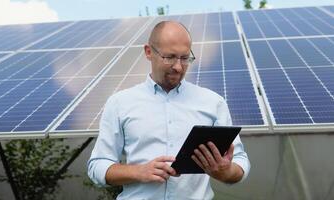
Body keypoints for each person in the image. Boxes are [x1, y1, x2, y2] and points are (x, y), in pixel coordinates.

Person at [87, 21, 250, 200]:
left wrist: (226, 172)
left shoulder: (213, 102)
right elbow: (97, 166)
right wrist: (139, 171)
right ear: (148, 52)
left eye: (185, 58)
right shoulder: (119, 103)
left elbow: (240, 162)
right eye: (170, 57)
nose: (178, 66)